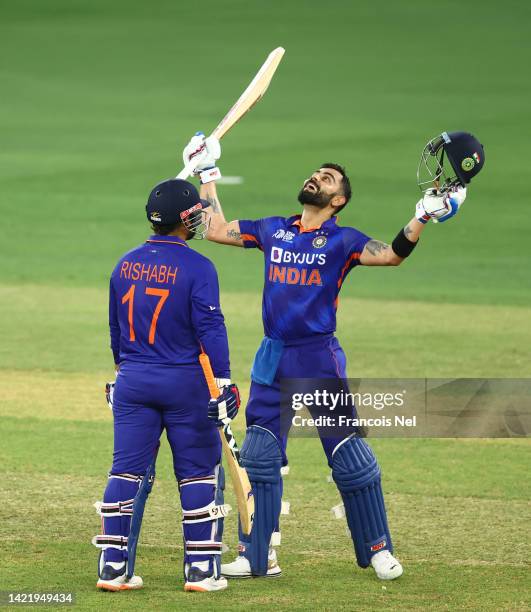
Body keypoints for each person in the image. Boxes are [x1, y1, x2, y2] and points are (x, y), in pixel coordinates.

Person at [181, 130, 484, 581]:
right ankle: (255, 555)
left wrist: (420, 216)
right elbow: (215, 230)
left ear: (338, 201)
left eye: (326, 179)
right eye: (316, 174)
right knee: (261, 457)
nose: (315, 179)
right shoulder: (273, 229)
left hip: (318, 357)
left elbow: (393, 256)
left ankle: (378, 549)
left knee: (349, 456)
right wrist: (207, 173)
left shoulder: (343, 241)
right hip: (272, 357)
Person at [92, 178, 241, 592]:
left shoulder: (124, 263)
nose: (198, 217)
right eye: (194, 212)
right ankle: (201, 571)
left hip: (133, 381)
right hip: (185, 384)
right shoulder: (199, 267)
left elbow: (115, 331)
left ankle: (112, 567)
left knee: (125, 471)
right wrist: (225, 383)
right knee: (196, 473)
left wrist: (130, 372)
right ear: (184, 219)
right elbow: (211, 327)